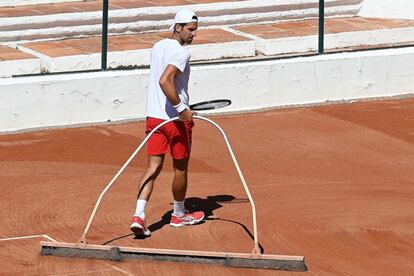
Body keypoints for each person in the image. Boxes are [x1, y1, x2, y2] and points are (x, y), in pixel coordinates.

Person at [130, 9, 205, 237]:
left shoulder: (158, 47)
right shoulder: (182, 53)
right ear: (178, 28)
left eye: (195, 30)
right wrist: (182, 109)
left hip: (154, 119)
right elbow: (165, 80)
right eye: (190, 30)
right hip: (174, 121)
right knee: (180, 167)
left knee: (154, 167)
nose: (194, 35)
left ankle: (139, 215)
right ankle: (179, 214)